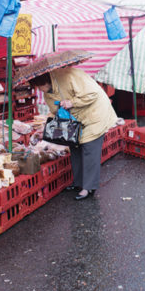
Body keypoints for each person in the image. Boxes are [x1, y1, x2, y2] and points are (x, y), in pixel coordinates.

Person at [29, 67, 118, 200]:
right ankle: (78, 183)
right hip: (76, 122)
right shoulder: (48, 93)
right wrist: (48, 127)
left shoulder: (70, 75)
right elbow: (55, 112)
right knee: (74, 147)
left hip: (94, 115)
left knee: (89, 149)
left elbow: (92, 94)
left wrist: (72, 102)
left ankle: (88, 187)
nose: (39, 90)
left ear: (44, 81)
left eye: (38, 86)